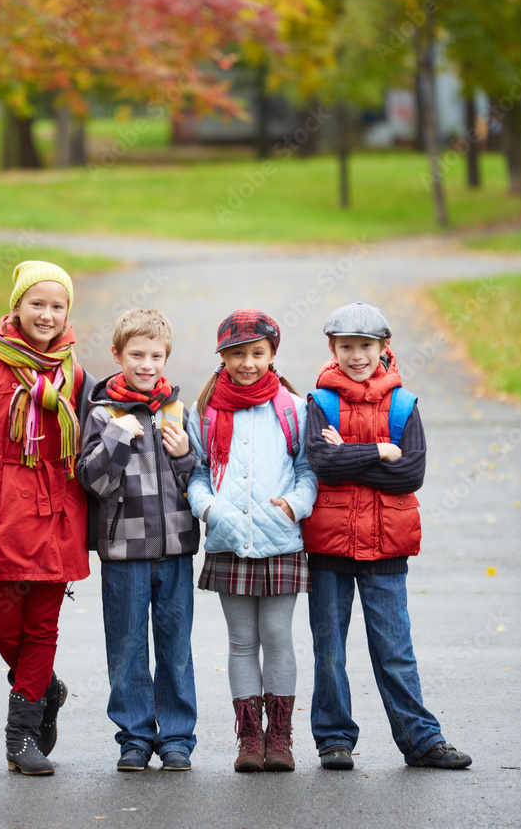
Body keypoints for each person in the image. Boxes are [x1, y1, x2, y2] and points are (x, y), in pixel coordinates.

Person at [303, 301, 472, 771]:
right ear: (333, 349)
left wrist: (350, 459)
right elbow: (322, 464)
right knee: (330, 652)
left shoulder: (404, 404)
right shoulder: (320, 404)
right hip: (329, 548)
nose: (357, 356)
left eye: (366, 346)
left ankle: (421, 741)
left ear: (384, 348)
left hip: (386, 549)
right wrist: (380, 451)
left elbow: (411, 474)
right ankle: (334, 739)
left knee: (395, 652)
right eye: (346, 347)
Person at [0, 261, 92, 776]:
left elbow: (97, 438)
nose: (47, 314)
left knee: (43, 626)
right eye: (37, 303)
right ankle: (44, 686)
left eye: (58, 306)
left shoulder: (72, 372)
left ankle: (21, 735)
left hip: (57, 512)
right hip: (0, 513)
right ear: (16, 306)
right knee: (3, 624)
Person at [187, 309, 318, 773]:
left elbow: (308, 470)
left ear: (272, 354)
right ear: (222, 356)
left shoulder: (293, 408)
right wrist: (209, 508)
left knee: (278, 638)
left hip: (281, 538)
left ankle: (279, 739)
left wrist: (294, 505)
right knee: (242, 642)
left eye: (257, 353)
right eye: (237, 354)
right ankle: (249, 740)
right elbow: (198, 474)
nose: (247, 363)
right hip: (228, 538)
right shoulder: (205, 411)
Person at [77, 308, 199, 772]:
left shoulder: (177, 411)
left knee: (176, 647)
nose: (146, 365)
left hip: (175, 552)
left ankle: (176, 738)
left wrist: (185, 454)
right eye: (136, 355)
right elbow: (93, 481)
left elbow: (198, 480)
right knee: (127, 647)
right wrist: (116, 437)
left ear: (166, 358)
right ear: (117, 355)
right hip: (123, 551)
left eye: (155, 356)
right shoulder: (102, 412)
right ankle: (134, 737)